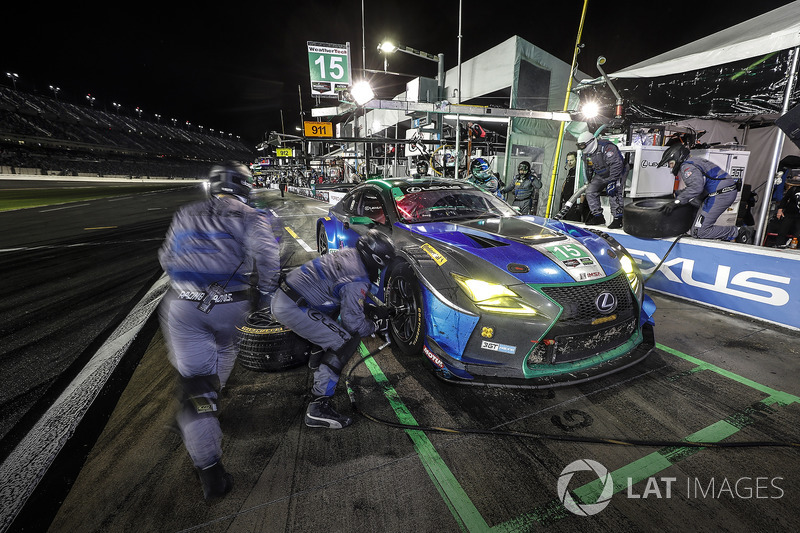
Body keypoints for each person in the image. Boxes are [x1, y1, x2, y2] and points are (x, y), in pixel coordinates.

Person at [158, 161, 280, 500]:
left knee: (195, 381)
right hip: (231, 304)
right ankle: (205, 408)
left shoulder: (186, 211)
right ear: (244, 185)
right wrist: (266, 297)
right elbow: (269, 259)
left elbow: (166, 257)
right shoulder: (251, 215)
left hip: (183, 304)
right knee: (224, 352)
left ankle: (206, 450)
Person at [271, 229, 396, 429]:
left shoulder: (350, 254)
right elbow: (353, 323)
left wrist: (368, 308)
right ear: (376, 259)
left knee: (332, 317)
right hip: (292, 307)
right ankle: (318, 407)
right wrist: (376, 324)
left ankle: (316, 364)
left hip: (289, 295)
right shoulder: (358, 278)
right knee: (344, 341)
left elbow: (343, 293)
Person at [657, 143, 753, 243]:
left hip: (721, 194)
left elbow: (696, 188)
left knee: (699, 231)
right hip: (721, 191)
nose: (671, 167)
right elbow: (696, 188)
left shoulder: (687, 167)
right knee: (690, 204)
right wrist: (674, 196)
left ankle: (738, 232)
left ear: (678, 158)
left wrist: (676, 202)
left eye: (671, 163)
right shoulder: (693, 161)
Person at [576, 131, 625, 228]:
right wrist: (588, 180)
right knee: (590, 191)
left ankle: (618, 218)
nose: (582, 148)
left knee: (613, 190)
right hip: (601, 174)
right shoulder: (587, 154)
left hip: (616, 171)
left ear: (590, 142)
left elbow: (616, 164)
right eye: (580, 146)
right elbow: (588, 167)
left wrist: (612, 181)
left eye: (583, 146)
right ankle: (598, 216)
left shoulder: (606, 147)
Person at [771, 178, 800, 247]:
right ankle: (779, 244)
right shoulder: (794, 189)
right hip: (790, 213)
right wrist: (780, 210)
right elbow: (785, 199)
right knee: (783, 230)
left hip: (799, 216)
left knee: (798, 233)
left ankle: (795, 246)